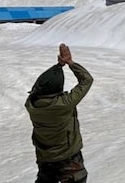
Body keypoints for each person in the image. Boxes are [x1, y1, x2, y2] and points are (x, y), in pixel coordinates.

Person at [25, 43, 94, 183]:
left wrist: (58, 67)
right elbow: (87, 80)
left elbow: (40, 85)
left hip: (45, 158)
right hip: (68, 157)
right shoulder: (64, 104)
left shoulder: (31, 104)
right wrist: (69, 63)